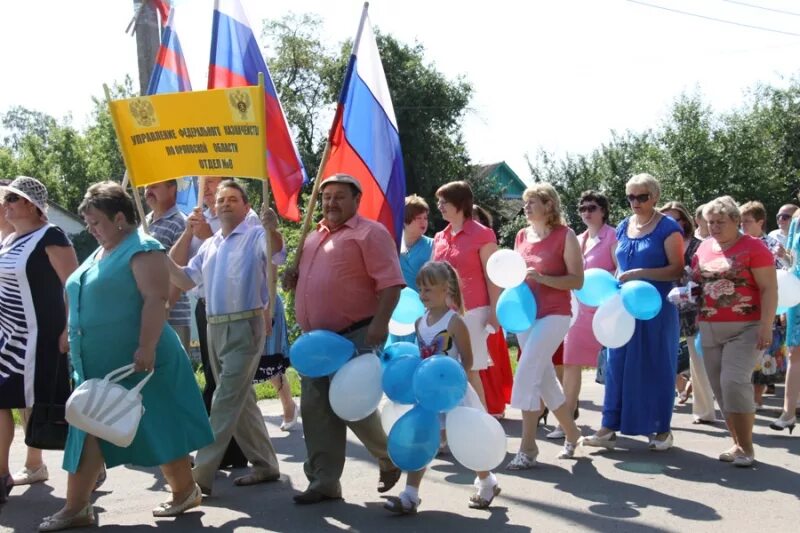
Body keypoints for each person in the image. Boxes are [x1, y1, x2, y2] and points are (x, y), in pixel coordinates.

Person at [39, 182, 213, 531]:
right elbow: (80, 291)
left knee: (143, 424)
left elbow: (155, 299)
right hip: (101, 364)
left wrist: (146, 346)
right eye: (87, 222)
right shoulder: (104, 249)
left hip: (141, 361)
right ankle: (184, 491)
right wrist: (68, 331)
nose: (90, 229)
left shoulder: (142, 248)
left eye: (96, 222)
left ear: (120, 218)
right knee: (106, 425)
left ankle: (76, 508)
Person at [284, 174, 403, 505]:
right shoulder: (313, 237)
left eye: (339, 196)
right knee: (316, 410)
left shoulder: (370, 233)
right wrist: (293, 279)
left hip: (356, 334)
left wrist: (379, 327)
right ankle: (324, 482)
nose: (331, 203)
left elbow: (391, 284)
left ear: (356, 200)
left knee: (352, 405)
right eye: (326, 197)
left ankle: (389, 456)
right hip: (315, 344)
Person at [168, 179, 284, 495]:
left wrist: (272, 229)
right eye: (221, 201)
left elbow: (276, 254)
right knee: (240, 399)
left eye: (233, 199)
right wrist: (159, 258)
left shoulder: (256, 234)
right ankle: (266, 464)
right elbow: (186, 279)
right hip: (214, 325)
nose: (225, 204)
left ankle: (200, 475)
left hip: (246, 325)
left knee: (224, 400)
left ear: (246, 206)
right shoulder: (210, 244)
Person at [384, 261, 501, 513]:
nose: (423, 295)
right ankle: (410, 495)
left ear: (445, 288)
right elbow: (421, 357)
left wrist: (458, 382)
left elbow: (468, 359)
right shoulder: (419, 322)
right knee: (422, 437)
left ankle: (487, 480)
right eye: (420, 289)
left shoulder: (455, 322)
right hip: (427, 395)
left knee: (465, 438)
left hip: (452, 394)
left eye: (428, 289)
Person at [582, 173, 683, 451]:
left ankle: (660, 429)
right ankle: (608, 427)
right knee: (617, 365)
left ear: (655, 197)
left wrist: (641, 273)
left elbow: (677, 268)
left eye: (642, 197)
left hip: (656, 308)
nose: (635, 202)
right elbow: (620, 264)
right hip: (624, 307)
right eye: (630, 197)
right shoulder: (625, 226)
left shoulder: (668, 227)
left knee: (655, 365)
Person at [0, 177, 77, 505]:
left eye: (12, 200)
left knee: (54, 407)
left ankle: (89, 460)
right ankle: (2, 475)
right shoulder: (9, 240)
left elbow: (74, 285)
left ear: (31, 204)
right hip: (8, 336)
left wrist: (69, 329)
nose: (5, 206)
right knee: (4, 401)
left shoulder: (52, 236)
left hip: (41, 338)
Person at [692, 196, 777, 467]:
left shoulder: (754, 247)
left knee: (733, 382)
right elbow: (697, 282)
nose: (714, 227)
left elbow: (769, 289)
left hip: (747, 327)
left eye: (720, 222)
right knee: (720, 389)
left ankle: (747, 448)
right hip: (709, 326)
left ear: (736, 221)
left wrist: (766, 326)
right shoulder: (704, 248)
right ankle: (737, 442)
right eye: (710, 222)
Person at [504, 184, 583, 469]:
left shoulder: (566, 236)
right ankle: (573, 433)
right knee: (544, 378)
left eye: (531, 202)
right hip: (526, 315)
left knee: (526, 371)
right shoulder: (521, 236)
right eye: (525, 202)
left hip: (555, 314)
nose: (525, 207)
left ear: (549, 205)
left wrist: (543, 278)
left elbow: (577, 280)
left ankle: (528, 447)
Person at [551, 191, 617, 440]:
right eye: (582, 208)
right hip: (578, 309)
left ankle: (609, 424)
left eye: (592, 207)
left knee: (611, 367)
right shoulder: (576, 239)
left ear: (603, 211)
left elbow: (619, 270)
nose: (587, 212)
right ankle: (567, 422)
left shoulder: (612, 236)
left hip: (606, 311)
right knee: (570, 363)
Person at [433, 181, 499, 408]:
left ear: (460, 204)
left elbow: (493, 277)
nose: (439, 206)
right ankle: (452, 427)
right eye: (439, 202)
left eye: (444, 202)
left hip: (474, 311)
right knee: (445, 370)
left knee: (470, 370)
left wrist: (494, 312)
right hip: (443, 313)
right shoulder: (440, 237)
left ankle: (482, 425)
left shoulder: (483, 235)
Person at [661, 201, 717, 424]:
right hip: (662, 305)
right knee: (662, 356)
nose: (670, 223)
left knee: (698, 359)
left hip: (693, 307)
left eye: (675, 219)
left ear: (684, 221)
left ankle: (704, 410)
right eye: (665, 219)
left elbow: (704, 277)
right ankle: (661, 403)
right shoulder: (660, 244)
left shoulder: (697, 245)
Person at [739, 201, 786, 408]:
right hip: (742, 307)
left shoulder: (772, 245)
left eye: (747, 221)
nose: (743, 226)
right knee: (743, 353)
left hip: (766, 306)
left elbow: (780, 276)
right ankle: (745, 397)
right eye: (740, 221)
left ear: (760, 222)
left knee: (764, 352)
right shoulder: (737, 243)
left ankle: (757, 399)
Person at [472, 204, 513, 420]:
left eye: (475, 218)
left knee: (491, 361)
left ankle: (494, 405)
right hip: (469, 309)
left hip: (489, 308)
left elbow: (495, 278)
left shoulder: (487, 243)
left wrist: (494, 310)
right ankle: (479, 405)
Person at [143, 179, 192, 355]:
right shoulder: (142, 223)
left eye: (154, 186)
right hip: (146, 313)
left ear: (172, 189)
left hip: (172, 316)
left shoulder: (181, 223)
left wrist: (167, 306)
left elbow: (181, 270)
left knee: (174, 373)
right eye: (146, 186)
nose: (148, 190)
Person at [388, 195, 435, 344]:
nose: (423, 222)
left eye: (425, 218)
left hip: (424, 311)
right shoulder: (391, 244)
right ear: (405, 220)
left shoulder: (434, 245)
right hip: (396, 311)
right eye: (418, 218)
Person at [771, 206, 800, 435]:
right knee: (794, 352)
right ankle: (788, 413)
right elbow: (793, 262)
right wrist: (783, 256)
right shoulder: (797, 221)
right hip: (797, 295)